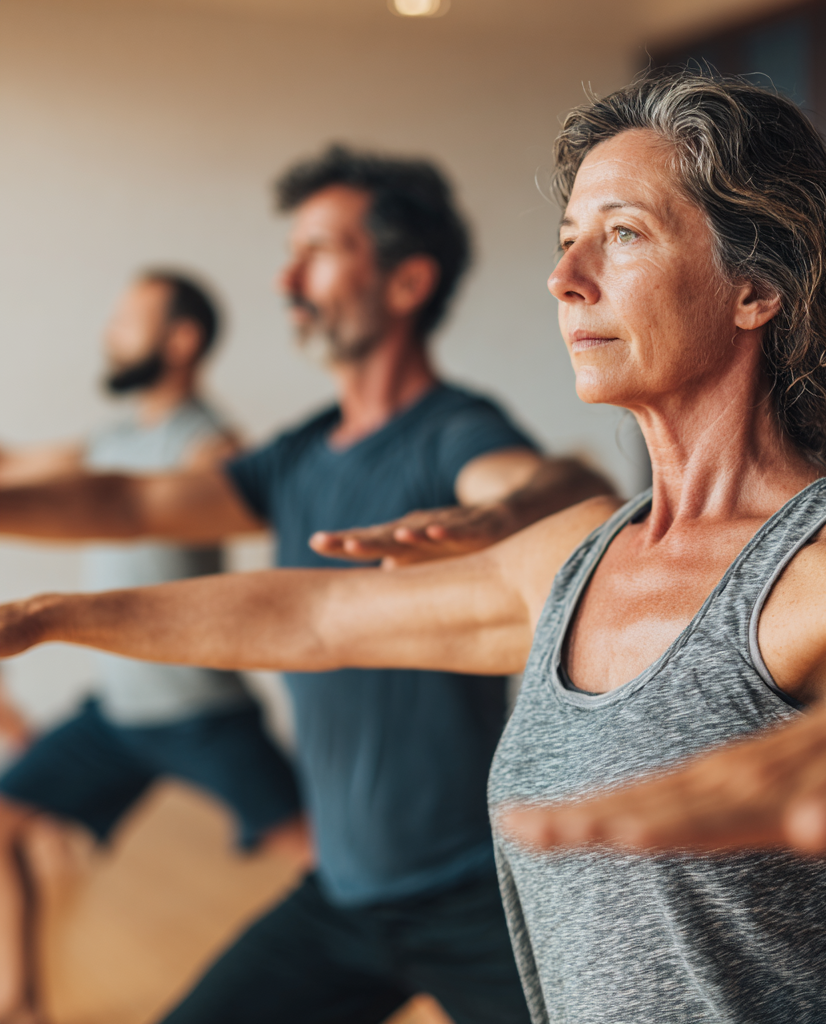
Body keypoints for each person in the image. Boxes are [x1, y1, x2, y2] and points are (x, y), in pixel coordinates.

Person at [2, 73, 826, 1023]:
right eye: (568, 236)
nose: (563, 278)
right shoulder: (575, 561)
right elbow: (310, 615)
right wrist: (51, 618)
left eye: (621, 236)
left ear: (756, 289)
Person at [0, 147, 613, 1024]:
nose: (289, 277)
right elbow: (128, 497)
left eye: (321, 250)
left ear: (407, 283)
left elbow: (551, 481)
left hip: (471, 895)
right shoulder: (294, 456)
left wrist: (496, 517)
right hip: (340, 900)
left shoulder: (452, 432)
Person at [0, 271, 307, 1024]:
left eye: (128, 320)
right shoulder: (114, 438)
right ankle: (20, 1004)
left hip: (201, 712)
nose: (111, 334)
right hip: (118, 713)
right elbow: (15, 468)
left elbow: (259, 502)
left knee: (326, 854)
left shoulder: (210, 445)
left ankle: (423, 958)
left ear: (181, 340)